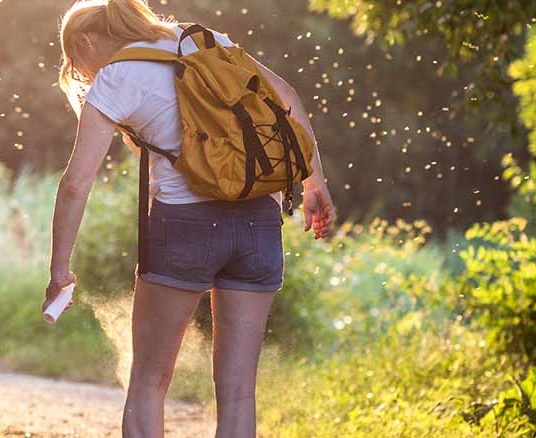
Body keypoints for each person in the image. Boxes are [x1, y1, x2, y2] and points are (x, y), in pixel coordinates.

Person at [42, 1, 336, 436]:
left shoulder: (118, 75)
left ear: (86, 41)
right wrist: (315, 183)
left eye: (75, 61)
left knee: (149, 379)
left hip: (185, 226)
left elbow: (75, 183)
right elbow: (286, 96)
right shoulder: (206, 40)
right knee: (238, 390)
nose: (81, 72)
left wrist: (59, 270)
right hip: (259, 221)